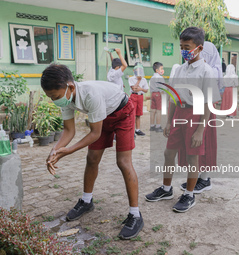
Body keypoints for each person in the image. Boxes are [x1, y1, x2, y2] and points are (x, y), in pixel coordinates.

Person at [41, 64, 143, 240]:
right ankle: (86, 201)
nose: (54, 101)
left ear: (70, 87)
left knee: (123, 162)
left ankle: (135, 215)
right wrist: (54, 151)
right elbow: (69, 131)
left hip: (123, 112)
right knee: (92, 158)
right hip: (101, 117)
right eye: (50, 97)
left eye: (55, 96)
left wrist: (69, 151)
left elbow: (95, 133)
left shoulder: (90, 94)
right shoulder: (65, 97)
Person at [145, 27, 221, 212]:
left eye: (187, 46)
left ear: (200, 48)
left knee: (192, 157)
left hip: (196, 115)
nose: (183, 50)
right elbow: (173, 97)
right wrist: (169, 121)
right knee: (168, 153)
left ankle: (189, 194)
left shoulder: (206, 71)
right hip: (179, 113)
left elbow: (209, 103)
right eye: (181, 46)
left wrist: (201, 129)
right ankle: (166, 189)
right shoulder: (179, 69)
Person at [179, 41, 222, 193]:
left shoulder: (210, 69)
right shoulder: (191, 66)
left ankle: (205, 179)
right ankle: (196, 178)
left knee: (205, 141)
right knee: (193, 144)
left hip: (205, 106)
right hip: (193, 106)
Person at [129, 62, 149, 136]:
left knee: (138, 114)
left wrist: (141, 89)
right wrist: (138, 80)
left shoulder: (144, 79)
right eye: (137, 69)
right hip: (134, 96)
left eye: (140, 69)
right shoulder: (131, 79)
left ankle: (138, 129)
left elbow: (146, 90)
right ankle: (132, 130)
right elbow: (134, 89)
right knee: (132, 114)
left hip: (140, 96)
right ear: (134, 70)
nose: (139, 71)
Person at [149, 62, 165, 132]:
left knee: (153, 111)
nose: (162, 70)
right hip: (158, 94)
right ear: (157, 70)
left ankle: (152, 126)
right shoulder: (160, 78)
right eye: (161, 68)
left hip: (153, 94)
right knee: (158, 111)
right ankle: (158, 126)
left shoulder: (152, 77)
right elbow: (161, 88)